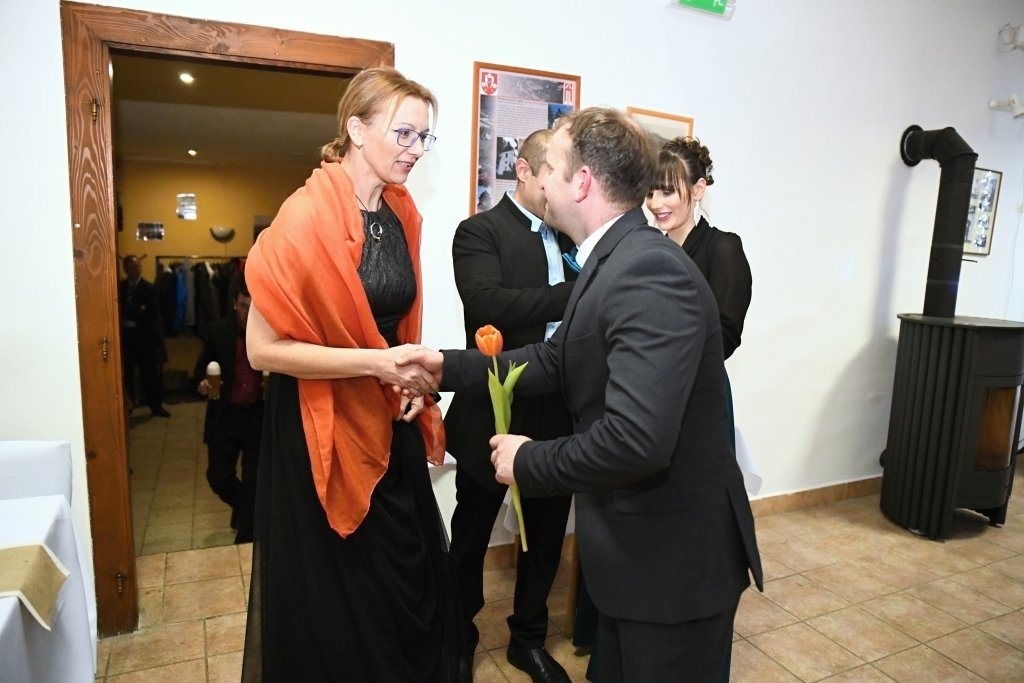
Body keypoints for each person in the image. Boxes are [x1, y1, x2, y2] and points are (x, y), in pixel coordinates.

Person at [399, 107, 763, 682]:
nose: (539, 180)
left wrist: (529, 459)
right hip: (637, 558)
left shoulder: (647, 270)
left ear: (582, 183)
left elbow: (636, 440)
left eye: (551, 167)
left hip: (672, 565)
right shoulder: (611, 257)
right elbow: (554, 359)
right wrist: (446, 366)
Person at [240, 66, 460, 682]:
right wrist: (377, 364)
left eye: (424, 137)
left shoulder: (400, 211)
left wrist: (408, 379)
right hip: (319, 428)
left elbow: (393, 325)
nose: (416, 150)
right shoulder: (303, 217)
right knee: (342, 597)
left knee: (405, 578)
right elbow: (261, 350)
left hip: (386, 417)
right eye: (404, 133)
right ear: (357, 129)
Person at [446, 128, 576, 683]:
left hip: (558, 413)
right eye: (554, 174)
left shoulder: (573, 235)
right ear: (524, 170)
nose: (561, 186)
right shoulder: (480, 231)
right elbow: (487, 305)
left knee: (545, 536)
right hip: (491, 411)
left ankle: (528, 640)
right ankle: (458, 638)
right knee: (471, 534)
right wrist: (580, 293)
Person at [646, 137, 752, 361]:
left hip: (692, 378)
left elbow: (724, 339)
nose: (654, 203)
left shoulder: (723, 248)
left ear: (698, 189)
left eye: (667, 192)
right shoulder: (650, 252)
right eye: (650, 193)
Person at [192, 275, 262, 544]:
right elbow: (200, 371)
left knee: (255, 479)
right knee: (218, 477)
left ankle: (246, 540)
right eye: (243, 306)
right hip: (226, 414)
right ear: (234, 304)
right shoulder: (217, 331)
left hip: (257, 414)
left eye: (253, 307)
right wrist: (203, 384)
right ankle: (245, 509)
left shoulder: (269, 332)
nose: (248, 312)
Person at [119, 254, 170, 417]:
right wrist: (137, 309)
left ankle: (155, 405)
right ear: (125, 269)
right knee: (126, 372)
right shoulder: (120, 287)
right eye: (131, 267)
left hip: (145, 338)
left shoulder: (149, 288)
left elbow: (150, 312)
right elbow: (120, 310)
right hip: (126, 337)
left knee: (149, 373)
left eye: (137, 266)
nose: (135, 269)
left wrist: (131, 311)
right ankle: (128, 405)